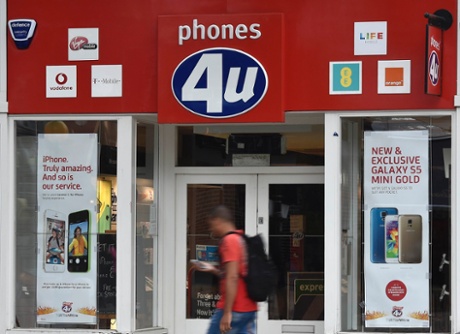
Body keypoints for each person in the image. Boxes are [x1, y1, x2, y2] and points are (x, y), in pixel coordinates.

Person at [193, 205, 257, 334]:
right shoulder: (240, 239)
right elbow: (237, 273)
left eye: (211, 224)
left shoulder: (229, 241)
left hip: (234, 307)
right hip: (248, 307)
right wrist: (213, 270)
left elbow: (232, 277)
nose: (211, 229)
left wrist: (227, 313)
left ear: (218, 220)